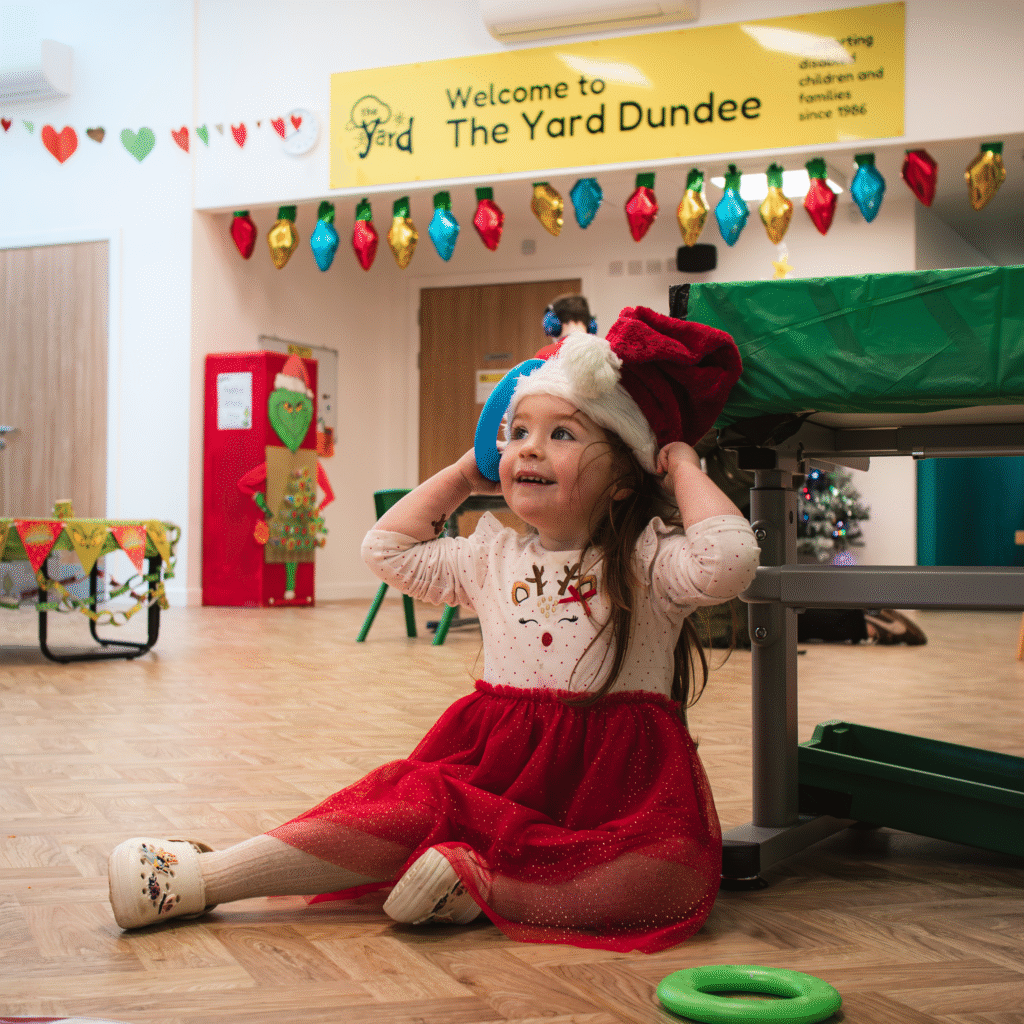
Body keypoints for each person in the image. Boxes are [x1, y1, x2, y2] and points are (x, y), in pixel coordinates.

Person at [107, 306, 759, 954]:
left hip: (618, 789)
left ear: (624, 475)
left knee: (667, 872)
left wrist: (678, 465)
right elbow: (384, 551)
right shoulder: (490, 555)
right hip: (495, 770)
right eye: (518, 432)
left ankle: (487, 885)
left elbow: (730, 558)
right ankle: (198, 878)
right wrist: (463, 474)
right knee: (404, 804)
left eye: (562, 434)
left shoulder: (652, 558)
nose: (528, 447)